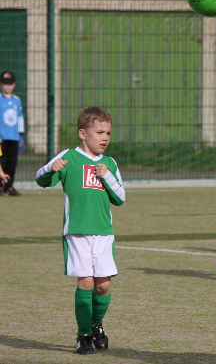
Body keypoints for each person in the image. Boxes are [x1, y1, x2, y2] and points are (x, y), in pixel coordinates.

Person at [35, 106, 125, 354]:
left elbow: (120, 198)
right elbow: (41, 178)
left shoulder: (109, 163)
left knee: (103, 285)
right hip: (76, 231)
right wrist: (50, 169)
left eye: (108, 133)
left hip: (103, 233)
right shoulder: (69, 157)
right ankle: (83, 334)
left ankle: (96, 325)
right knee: (85, 281)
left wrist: (107, 176)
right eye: (99, 132)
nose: (105, 138)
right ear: (83, 134)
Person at [0, 71, 25, 196]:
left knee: (12, 162)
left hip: (14, 137)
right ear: (1, 84)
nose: (7, 86)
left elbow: (20, 118)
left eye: (10, 84)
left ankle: (9, 186)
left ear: (14, 85)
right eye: (5, 83)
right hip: (2, 138)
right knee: (2, 162)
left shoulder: (17, 101)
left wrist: (21, 135)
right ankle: (0, 186)